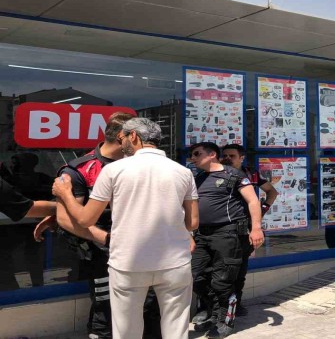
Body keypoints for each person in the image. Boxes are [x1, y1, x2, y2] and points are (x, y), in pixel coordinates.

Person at [53, 118, 199, 339]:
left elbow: (84, 219)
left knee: (126, 330)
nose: (121, 143)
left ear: (134, 136)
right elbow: (192, 222)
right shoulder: (183, 172)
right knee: (176, 328)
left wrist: (65, 194)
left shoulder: (114, 170)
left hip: (129, 263)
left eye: (122, 138)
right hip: (175, 263)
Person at [41, 111, 164, 339]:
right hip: (102, 252)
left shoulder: (142, 165)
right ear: (124, 137)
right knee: (106, 308)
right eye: (140, 137)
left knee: (149, 306)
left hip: (144, 250)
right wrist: (105, 239)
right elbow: (66, 219)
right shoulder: (80, 169)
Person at [189, 142, 263, 338]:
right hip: (202, 234)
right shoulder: (199, 178)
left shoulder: (234, 175)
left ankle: (225, 320)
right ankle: (215, 312)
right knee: (194, 276)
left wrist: (256, 228)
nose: (193, 158)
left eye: (197, 153)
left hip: (227, 233)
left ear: (212, 154)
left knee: (222, 280)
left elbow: (253, 201)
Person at [220, 143, 278, 317]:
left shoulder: (251, 174)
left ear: (241, 158)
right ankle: (214, 307)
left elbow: (272, 192)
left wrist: (263, 209)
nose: (227, 159)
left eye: (232, 156)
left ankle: (236, 305)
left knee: (240, 270)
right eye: (225, 156)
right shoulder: (217, 173)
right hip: (222, 228)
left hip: (245, 228)